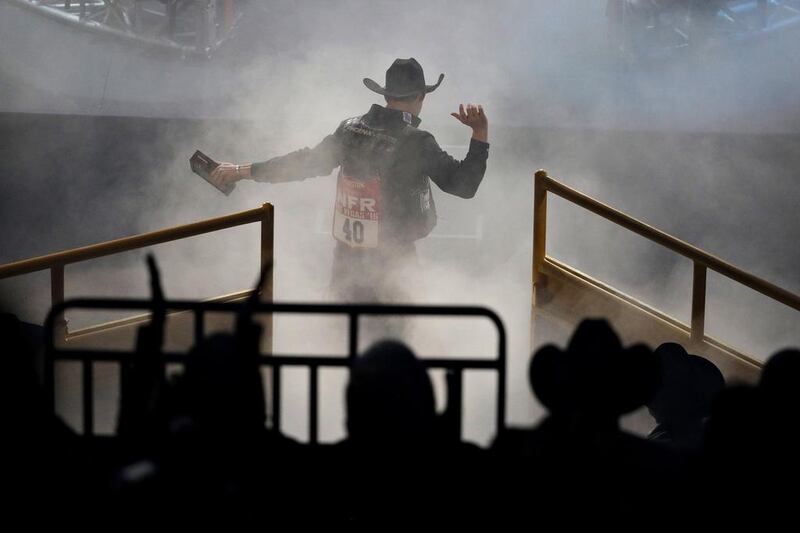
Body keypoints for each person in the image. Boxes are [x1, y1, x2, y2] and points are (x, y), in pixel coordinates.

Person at [208, 58, 489, 302]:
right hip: (393, 267)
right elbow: (464, 185)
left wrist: (241, 170)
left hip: (345, 263)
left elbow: (303, 163)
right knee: (392, 346)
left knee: (344, 337)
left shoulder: (350, 129)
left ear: (386, 95)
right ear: (420, 97)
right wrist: (479, 132)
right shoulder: (417, 141)